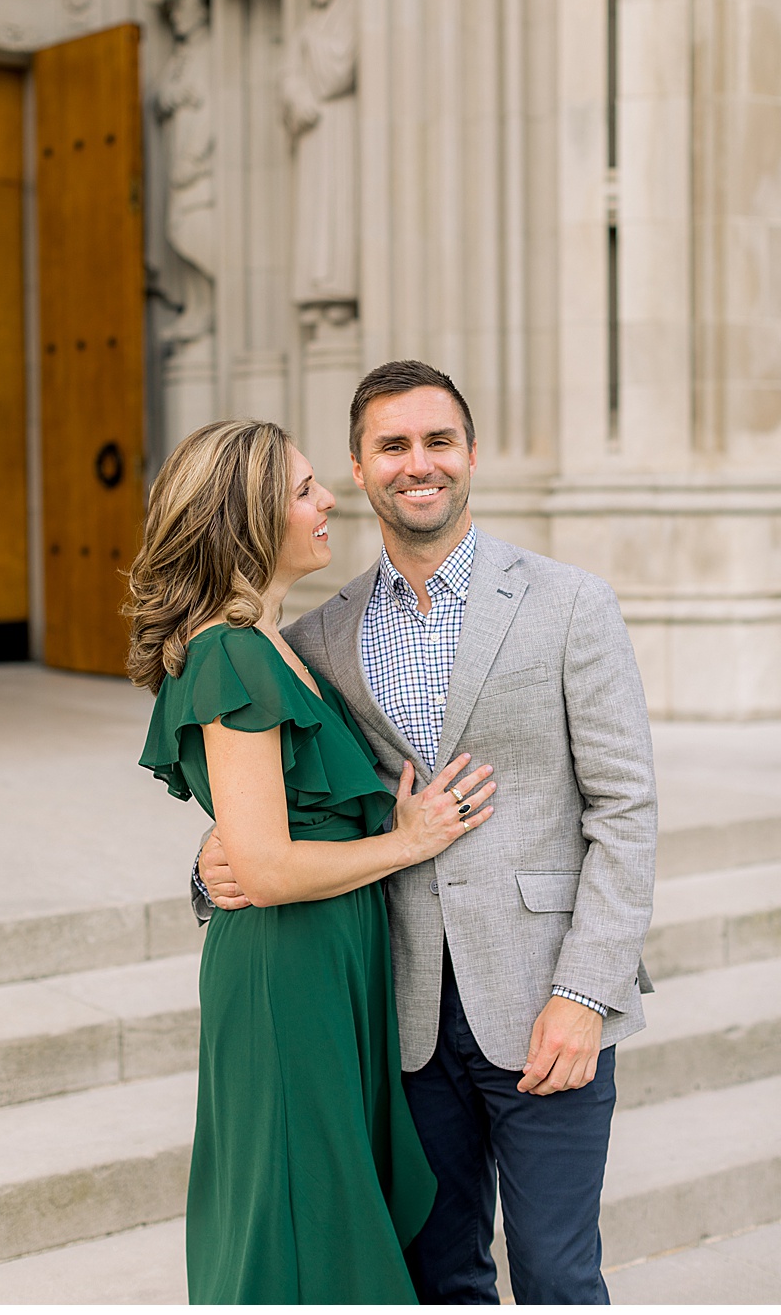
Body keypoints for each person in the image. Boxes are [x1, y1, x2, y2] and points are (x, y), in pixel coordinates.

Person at [200, 359, 658, 1304]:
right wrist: (216, 870)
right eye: (392, 446)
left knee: (559, 1276)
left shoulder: (570, 603)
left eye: (438, 440)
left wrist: (586, 992)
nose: (421, 464)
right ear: (361, 470)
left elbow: (626, 810)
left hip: (545, 1003)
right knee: (439, 1275)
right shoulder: (317, 637)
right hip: (397, 1019)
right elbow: (294, 799)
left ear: (472, 454)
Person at [129, 419, 500, 1302]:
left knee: (329, 1202)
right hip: (287, 974)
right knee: (303, 1214)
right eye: (302, 491)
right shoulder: (230, 653)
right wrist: (411, 839)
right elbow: (262, 868)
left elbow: (263, 831)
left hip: (334, 965)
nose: (327, 498)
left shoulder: (274, 646)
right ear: (247, 516)